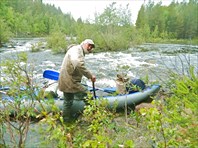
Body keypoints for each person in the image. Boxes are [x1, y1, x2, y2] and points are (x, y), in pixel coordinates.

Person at [58, 39, 96, 122]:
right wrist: (90, 76)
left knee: (68, 101)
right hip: (70, 81)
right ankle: (94, 117)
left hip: (65, 79)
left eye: (92, 47)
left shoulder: (76, 50)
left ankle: (66, 121)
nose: (90, 48)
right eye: (89, 45)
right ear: (83, 43)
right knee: (88, 95)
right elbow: (78, 64)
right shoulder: (77, 50)